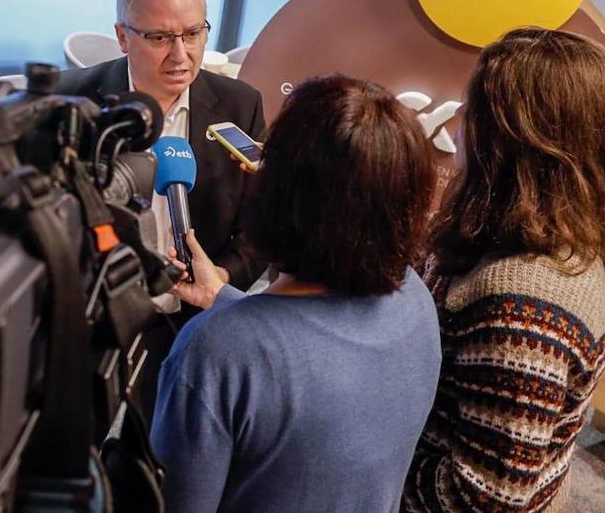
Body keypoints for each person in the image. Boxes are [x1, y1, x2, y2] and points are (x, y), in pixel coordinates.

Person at [402, 27, 605, 513]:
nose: (459, 125)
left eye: (474, 112)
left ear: (518, 143)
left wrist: (370, 459)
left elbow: (487, 498)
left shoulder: (523, 303)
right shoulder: (556, 231)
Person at [151, 75, 442, 513]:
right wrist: (225, 299)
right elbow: (314, 358)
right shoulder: (415, 297)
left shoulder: (215, 352)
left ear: (280, 194)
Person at [57, 0, 266, 290]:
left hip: (194, 319)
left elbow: (260, 227)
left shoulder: (241, 106)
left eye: (194, 33)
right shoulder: (68, 99)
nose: (181, 55)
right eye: (160, 38)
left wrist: (221, 279)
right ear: (123, 37)